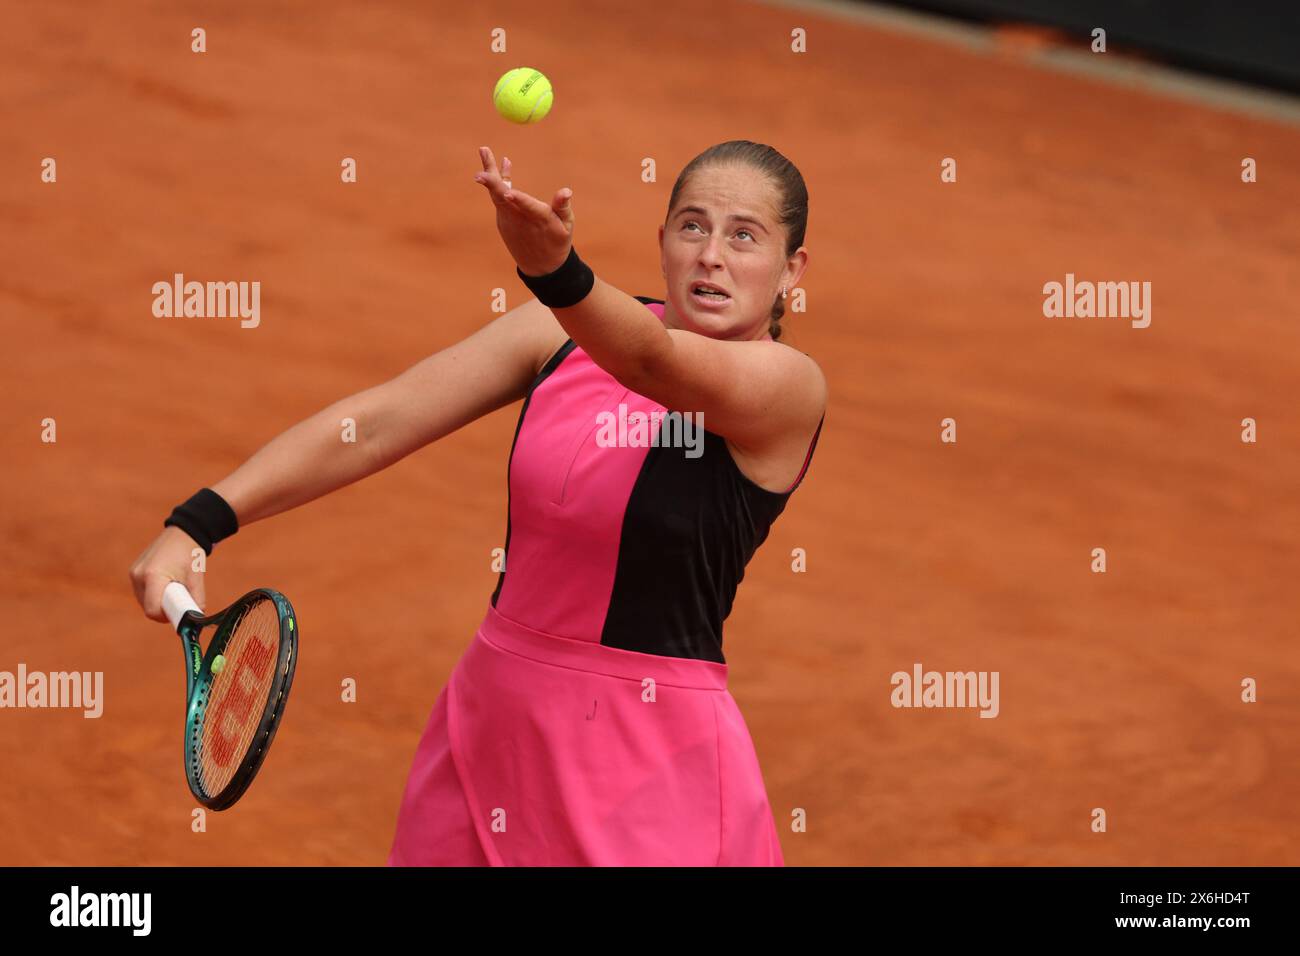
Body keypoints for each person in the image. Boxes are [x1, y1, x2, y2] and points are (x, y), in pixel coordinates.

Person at [129, 140, 827, 866]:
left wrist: (556, 272)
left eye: (745, 236)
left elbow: (654, 361)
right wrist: (199, 521)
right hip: (492, 723)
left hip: (643, 761)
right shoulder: (559, 333)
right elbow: (375, 423)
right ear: (662, 243)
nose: (712, 254)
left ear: (791, 270)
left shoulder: (787, 389)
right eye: (692, 226)